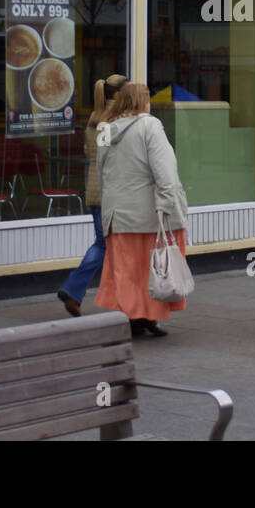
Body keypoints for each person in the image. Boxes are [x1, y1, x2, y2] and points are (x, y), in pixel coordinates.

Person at [93, 83, 189, 336]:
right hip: (147, 213)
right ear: (144, 102)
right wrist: (168, 204)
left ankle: (134, 317)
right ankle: (149, 316)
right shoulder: (150, 125)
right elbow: (165, 171)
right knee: (152, 267)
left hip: (117, 214)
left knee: (126, 270)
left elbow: (101, 173)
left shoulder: (105, 129)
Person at [56, 73, 126, 317]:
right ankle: (74, 289)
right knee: (107, 245)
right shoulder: (116, 119)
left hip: (95, 190)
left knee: (104, 243)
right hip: (111, 191)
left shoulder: (95, 118)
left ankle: (79, 291)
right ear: (117, 94)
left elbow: (89, 151)